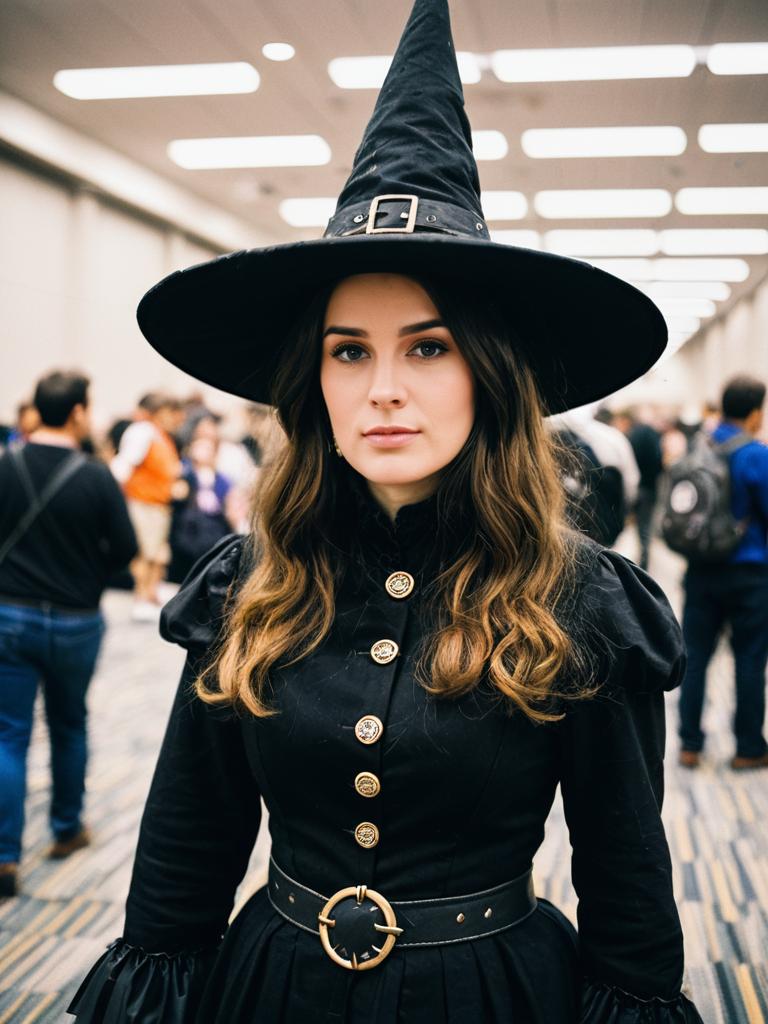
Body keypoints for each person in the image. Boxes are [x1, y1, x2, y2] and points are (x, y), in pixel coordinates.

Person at [68, 1, 702, 1021]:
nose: (384, 390)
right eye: (349, 350)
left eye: (429, 346)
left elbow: (627, 878)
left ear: (490, 374)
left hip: (488, 990)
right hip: (273, 986)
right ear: (313, 380)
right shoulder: (249, 580)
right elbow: (188, 841)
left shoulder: (581, 597)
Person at [0, 371, 137, 898]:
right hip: (77, 619)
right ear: (78, 411)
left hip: (10, 615)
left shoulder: (6, 464)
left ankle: (5, 855)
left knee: (8, 733)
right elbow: (125, 550)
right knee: (68, 723)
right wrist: (87, 574)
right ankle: (66, 827)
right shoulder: (95, 476)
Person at [678, 375, 768, 771]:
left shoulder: (700, 446)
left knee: (695, 657)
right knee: (749, 659)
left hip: (701, 570)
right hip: (749, 573)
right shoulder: (755, 455)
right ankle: (748, 748)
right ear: (754, 413)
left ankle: (689, 745)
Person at [110, 393, 182, 620]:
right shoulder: (142, 432)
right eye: (169, 412)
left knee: (156, 555)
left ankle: (150, 595)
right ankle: (140, 598)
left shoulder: (160, 435)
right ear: (158, 412)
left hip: (158, 505)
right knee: (144, 554)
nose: (174, 418)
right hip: (143, 504)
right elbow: (123, 465)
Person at [613, 409, 664, 570]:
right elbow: (659, 462)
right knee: (645, 527)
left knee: (629, 525)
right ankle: (644, 560)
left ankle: (625, 562)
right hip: (650, 488)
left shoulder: (631, 436)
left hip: (635, 487)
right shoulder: (653, 435)